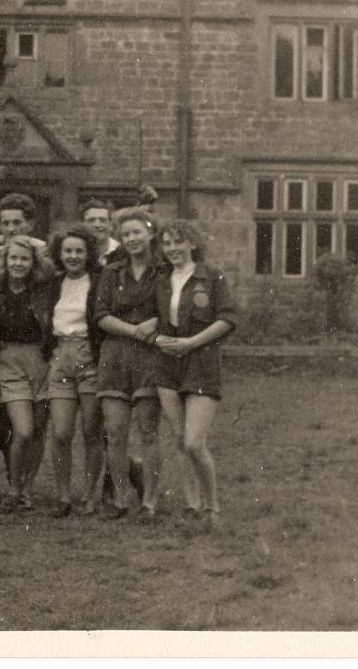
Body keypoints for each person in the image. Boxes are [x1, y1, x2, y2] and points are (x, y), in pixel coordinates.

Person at [151, 220, 239, 531]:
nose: (172, 248)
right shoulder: (161, 278)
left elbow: (228, 319)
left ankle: (212, 505)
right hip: (166, 363)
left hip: (201, 361)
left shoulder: (211, 276)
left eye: (178, 242)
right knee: (178, 438)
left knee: (193, 442)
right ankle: (192, 504)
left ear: (191, 243)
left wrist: (191, 342)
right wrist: (157, 337)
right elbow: (152, 317)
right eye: (167, 243)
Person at [92, 207, 163, 521]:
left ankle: (149, 500)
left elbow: (174, 308)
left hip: (150, 357)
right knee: (116, 431)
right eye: (126, 234)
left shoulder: (163, 271)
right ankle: (120, 497)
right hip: (115, 356)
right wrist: (134, 330)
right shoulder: (112, 272)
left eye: (137, 232)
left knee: (148, 432)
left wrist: (156, 322)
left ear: (150, 233)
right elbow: (101, 315)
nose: (132, 238)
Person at [41, 227, 104, 518]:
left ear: (88, 253)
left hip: (89, 358)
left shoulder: (100, 281)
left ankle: (90, 495)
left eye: (79, 251)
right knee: (61, 432)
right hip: (61, 357)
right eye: (68, 251)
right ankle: (64, 495)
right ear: (59, 254)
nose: (73, 256)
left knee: (92, 432)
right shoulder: (54, 283)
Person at [0, 236, 51, 512]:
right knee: (22, 431)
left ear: (33, 263)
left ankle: (27, 490)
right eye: (13, 258)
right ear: (5, 260)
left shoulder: (43, 289)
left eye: (25, 259)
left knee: (38, 430)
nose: (18, 263)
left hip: (41, 360)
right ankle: (13, 487)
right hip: (8, 361)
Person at [0, 193, 53, 281]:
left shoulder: (42, 251)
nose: (10, 229)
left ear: (30, 224)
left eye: (17, 222)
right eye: (5, 223)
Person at [80, 198, 121, 264]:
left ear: (111, 225)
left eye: (102, 220)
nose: (97, 225)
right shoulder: (77, 252)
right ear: (82, 225)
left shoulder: (121, 251)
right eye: (91, 220)